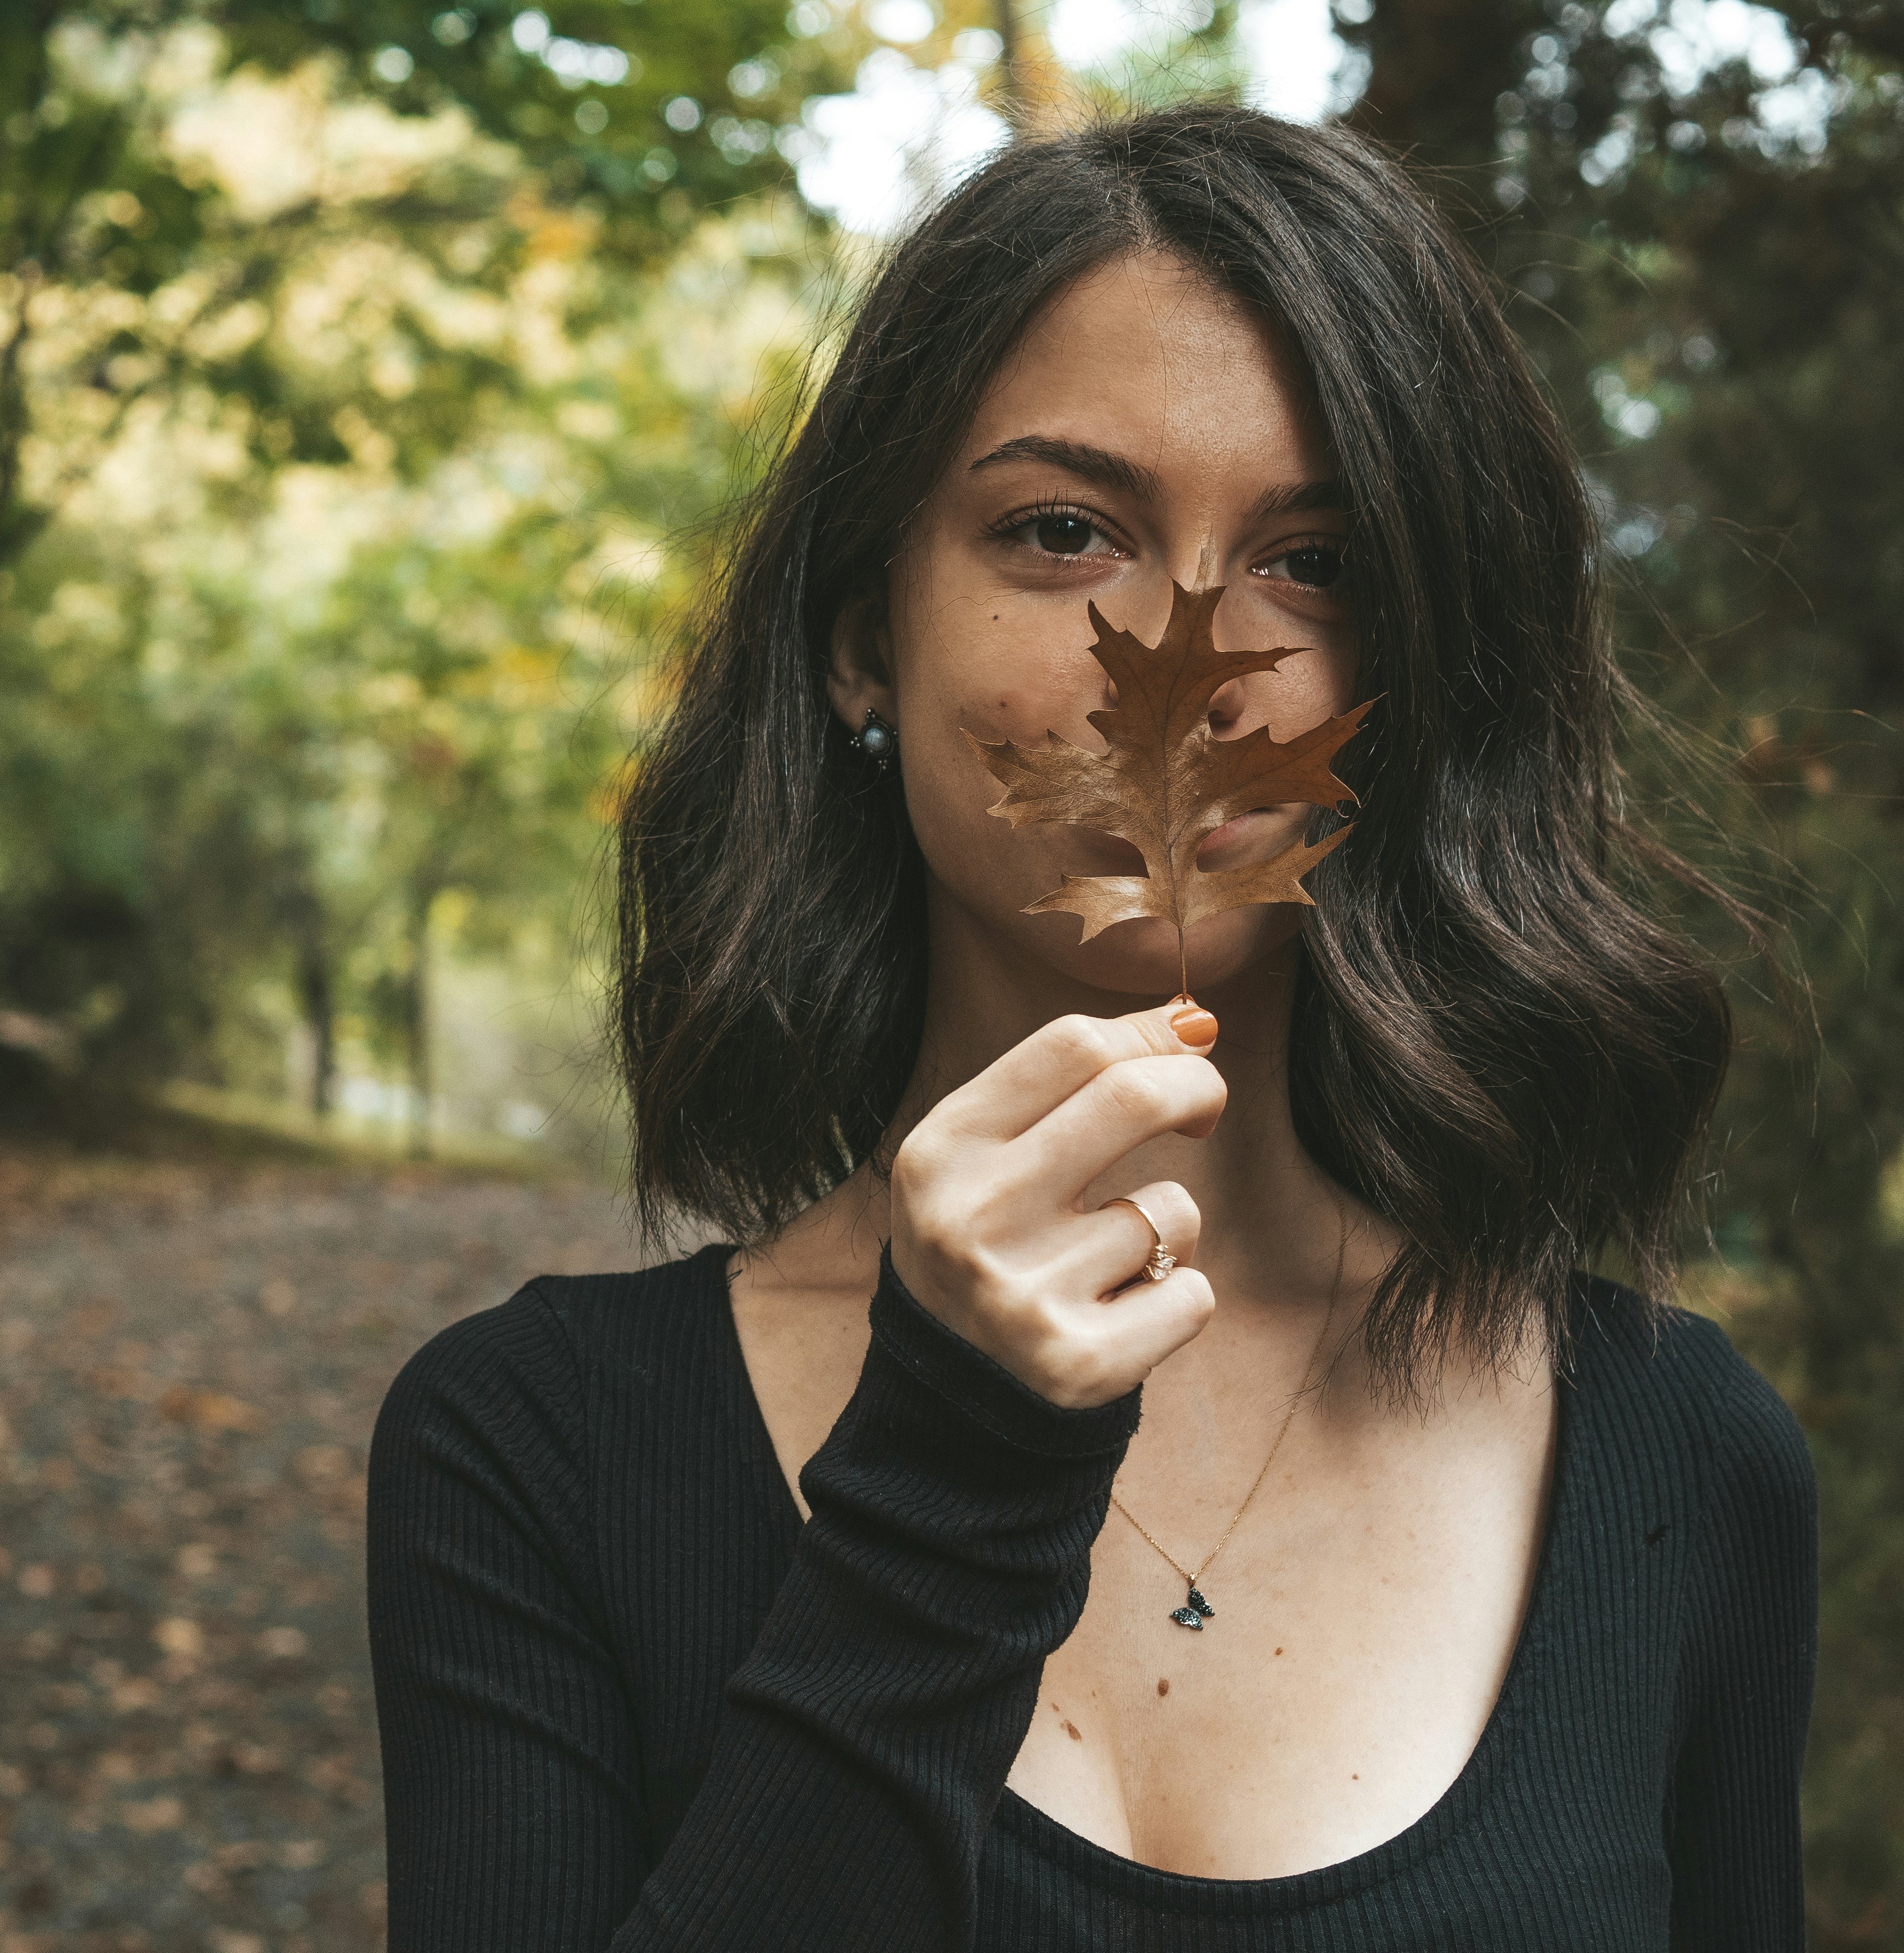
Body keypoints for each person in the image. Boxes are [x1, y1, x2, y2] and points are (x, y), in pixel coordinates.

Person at [363, 107, 1815, 1947]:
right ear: (861, 640)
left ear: (1433, 671)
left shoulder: (1682, 1459)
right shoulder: (536, 1451)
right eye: (1063, 533)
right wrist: (952, 1474)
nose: (1192, 666)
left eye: (1322, 562)